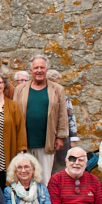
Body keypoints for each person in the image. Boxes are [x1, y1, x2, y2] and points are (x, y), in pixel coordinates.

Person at [13, 55, 68, 184]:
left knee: (44, 179)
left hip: (46, 141)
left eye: (42, 67)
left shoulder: (57, 89)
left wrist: (60, 136)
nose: (39, 70)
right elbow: (14, 114)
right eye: (36, 68)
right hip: (25, 141)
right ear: (31, 70)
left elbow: (62, 114)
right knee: (24, 177)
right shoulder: (20, 89)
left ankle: (43, 198)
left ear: (47, 69)